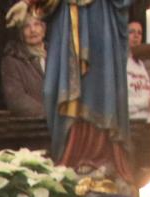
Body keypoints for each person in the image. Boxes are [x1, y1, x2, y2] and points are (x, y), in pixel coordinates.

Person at [36, 0, 133, 171]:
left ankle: (100, 157)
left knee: (97, 86)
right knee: (56, 89)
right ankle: (71, 155)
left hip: (100, 17)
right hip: (67, 18)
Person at [3, 15, 48, 117]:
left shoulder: (57, 56)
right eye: (26, 26)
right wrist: (50, 115)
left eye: (37, 24)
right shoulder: (12, 60)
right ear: (21, 33)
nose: (32, 30)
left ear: (44, 30)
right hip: (32, 124)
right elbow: (16, 99)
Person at [127, 19, 150, 163]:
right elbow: (120, 103)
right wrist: (146, 102)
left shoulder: (141, 65)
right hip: (130, 127)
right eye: (131, 32)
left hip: (148, 127)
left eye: (139, 33)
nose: (136, 35)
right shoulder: (119, 64)